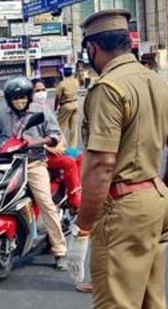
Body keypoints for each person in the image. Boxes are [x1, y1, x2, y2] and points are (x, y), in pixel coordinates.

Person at [67, 9, 168, 308]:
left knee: (117, 302)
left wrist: (82, 228)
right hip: (155, 199)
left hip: (122, 209)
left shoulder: (108, 88)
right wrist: (159, 186)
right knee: (151, 299)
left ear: (93, 48)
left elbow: (101, 166)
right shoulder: (156, 82)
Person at [0, 76, 68, 270]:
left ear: (28, 97)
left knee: (45, 202)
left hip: (33, 163)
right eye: (15, 98)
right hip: (6, 164)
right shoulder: (2, 114)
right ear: (8, 99)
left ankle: (60, 250)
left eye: (22, 97)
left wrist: (34, 142)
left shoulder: (40, 111)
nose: (19, 101)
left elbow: (55, 136)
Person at [32, 78, 82, 210]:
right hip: (41, 153)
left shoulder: (46, 107)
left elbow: (58, 131)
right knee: (69, 162)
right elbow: (28, 139)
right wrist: (49, 147)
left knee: (79, 155)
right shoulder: (30, 112)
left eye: (43, 90)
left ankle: (72, 187)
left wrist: (61, 145)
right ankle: (74, 198)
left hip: (55, 144)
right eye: (37, 91)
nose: (41, 93)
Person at [54, 66, 80, 148]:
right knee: (73, 128)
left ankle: (61, 145)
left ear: (64, 74)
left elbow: (58, 97)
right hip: (75, 104)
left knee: (60, 127)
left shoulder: (62, 84)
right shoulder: (76, 81)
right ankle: (73, 146)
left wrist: (56, 107)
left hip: (66, 105)